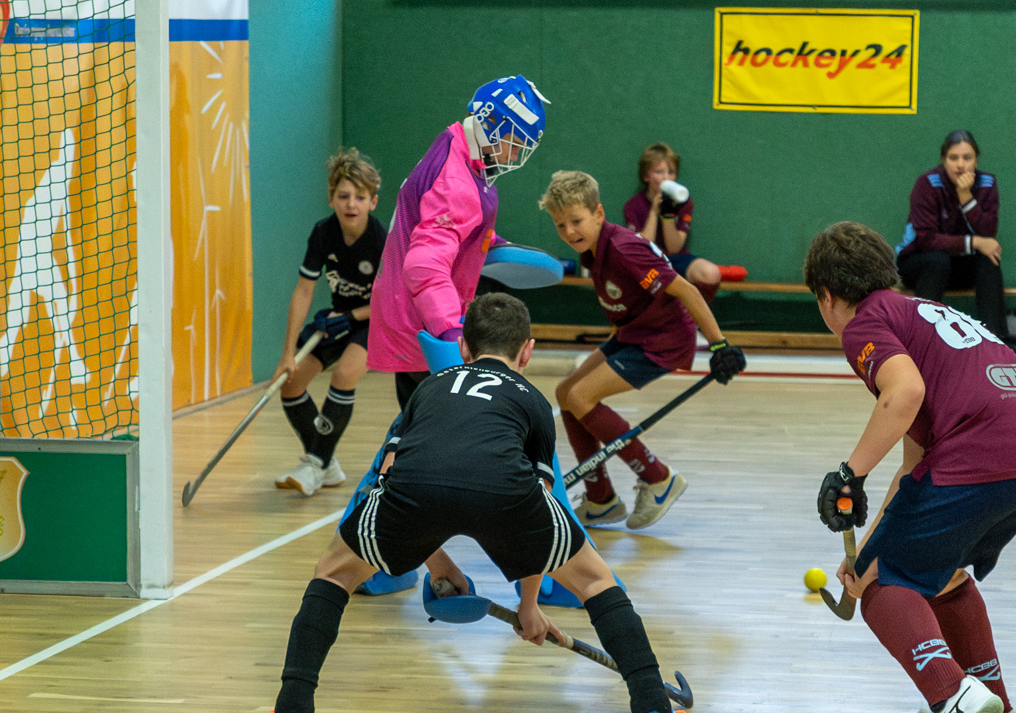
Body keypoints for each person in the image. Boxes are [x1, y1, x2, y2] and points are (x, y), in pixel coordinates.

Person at [250, 293, 711, 713]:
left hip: (413, 491)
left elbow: (394, 478)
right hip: (506, 494)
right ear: (527, 351)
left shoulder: (429, 388)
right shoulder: (532, 400)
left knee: (333, 574)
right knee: (595, 582)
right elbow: (539, 507)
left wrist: (435, 561)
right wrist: (528, 605)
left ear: (464, 347)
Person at [806, 221, 1016, 713]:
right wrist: (869, 548)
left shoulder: (864, 322)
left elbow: (904, 393)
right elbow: (916, 464)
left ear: (826, 296)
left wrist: (849, 473)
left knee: (886, 586)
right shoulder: (921, 313)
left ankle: (951, 697)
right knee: (936, 570)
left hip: (984, 450)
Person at [540, 169, 746, 530]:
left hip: (662, 339)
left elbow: (687, 290)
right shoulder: (594, 250)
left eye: (576, 221)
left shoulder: (623, 249)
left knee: (581, 396)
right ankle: (601, 500)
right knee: (566, 393)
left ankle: (659, 479)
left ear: (599, 213)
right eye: (560, 225)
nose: (569, 232)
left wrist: (719, 345)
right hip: (633, 333)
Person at [366, 75, 549, 410]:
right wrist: (451, 334)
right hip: (425, 324)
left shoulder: (456, 145)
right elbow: (424, 267)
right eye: (515, 141)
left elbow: (437, 221)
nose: (516, 153)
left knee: (419, 427)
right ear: (492, 126)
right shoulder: (456, 182)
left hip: (413, 313)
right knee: (443, 429)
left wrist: (484, 240)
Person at [274, 149, 385, 496]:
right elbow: (304, 291)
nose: (351, 204)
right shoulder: (323, 233)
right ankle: (324, 463)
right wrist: (287, 353)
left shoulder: (381, 240)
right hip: (338, 320)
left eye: (360, 197)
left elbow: (388, 301)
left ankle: (314, 465)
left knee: (344, 374)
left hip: (375, 321)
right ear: (331, 198)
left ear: (373, 202)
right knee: (290, 383)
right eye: (343, 196)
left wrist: (350, 317)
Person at [894, 129, 1009, 344]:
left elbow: (988, 233)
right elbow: (927, 239)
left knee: (988, 259)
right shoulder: (927, 184)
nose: (960, 165)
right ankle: (922, 339)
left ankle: (996, 342)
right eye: (953, 158)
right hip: (917, 264)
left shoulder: (987, 183)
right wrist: (974, 242)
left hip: (955, 267)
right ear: (943, 160)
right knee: (937, 260)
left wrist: (966, 197)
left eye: (967, 158)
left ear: (976, 160)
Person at [623, 142, 724, 302]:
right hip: (649, 262)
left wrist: (667, 214)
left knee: (710, 273)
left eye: (671, 172)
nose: (666, 177)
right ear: (646, 176)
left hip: (676, 259)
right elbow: (643, 247)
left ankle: (693, 315)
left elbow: (674, 248)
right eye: (659, 172)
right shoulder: (633, 205)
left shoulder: (684, 202)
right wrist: (654, 212)